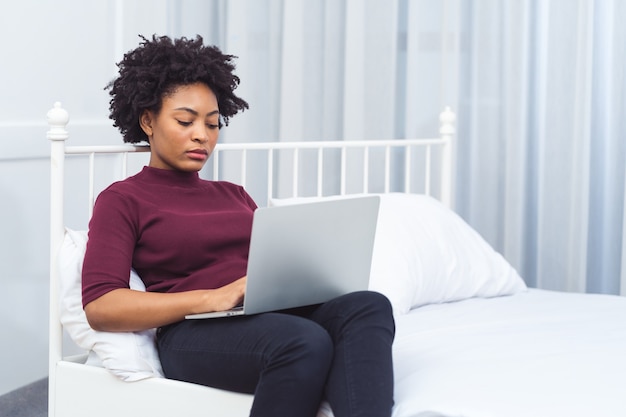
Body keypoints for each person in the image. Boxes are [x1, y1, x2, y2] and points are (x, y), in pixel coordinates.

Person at [82, 34, 395, 417]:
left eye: (213, 125)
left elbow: (269, 266)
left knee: (367, 306)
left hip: (265, 316)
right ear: (147, 120)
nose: (202, 135)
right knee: (304, 342)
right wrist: (212, 298)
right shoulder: (123, 199)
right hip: (193, 332)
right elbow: (102, 305)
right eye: (185, 120)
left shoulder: (234, 194)